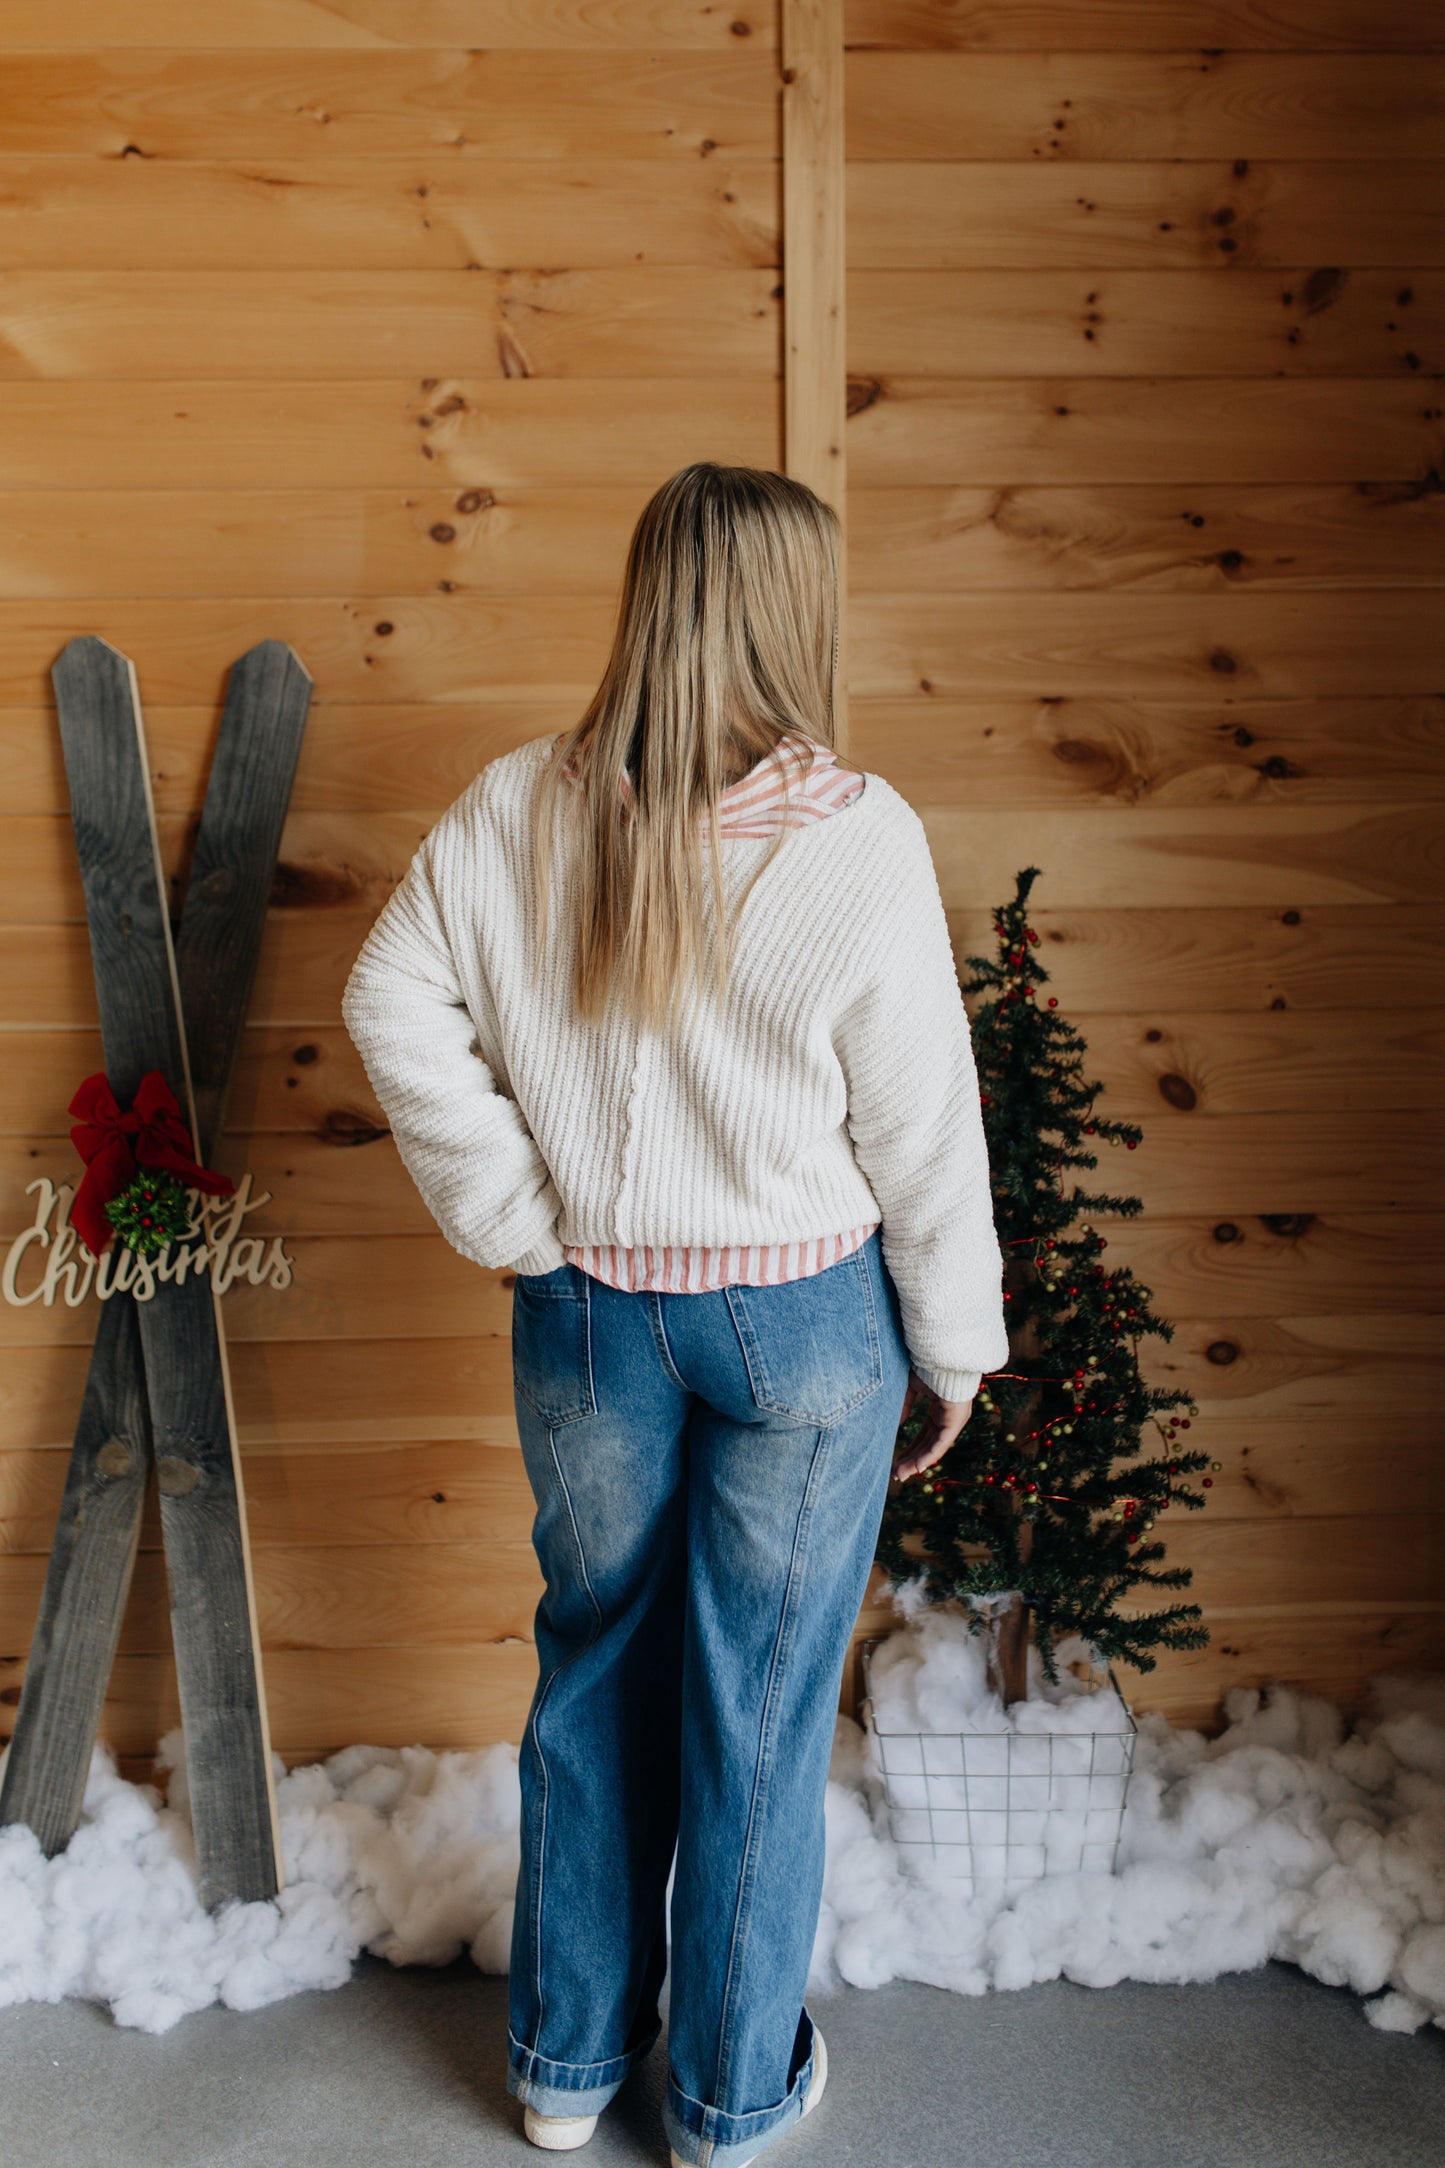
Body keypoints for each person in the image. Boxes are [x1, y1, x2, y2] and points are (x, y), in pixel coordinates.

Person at [341, 462, 1009, 2166]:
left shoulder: (518, 806)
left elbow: (388, 992)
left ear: (648, 596)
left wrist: (515, 1218)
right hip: (798, 1331)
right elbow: (920, 1130)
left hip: (583, 1323)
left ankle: (564, 2071)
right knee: (765, 1702)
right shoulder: (858, 837)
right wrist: (955, 1346)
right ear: (793, 615)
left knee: (595, 1669)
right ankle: (722, 2102)